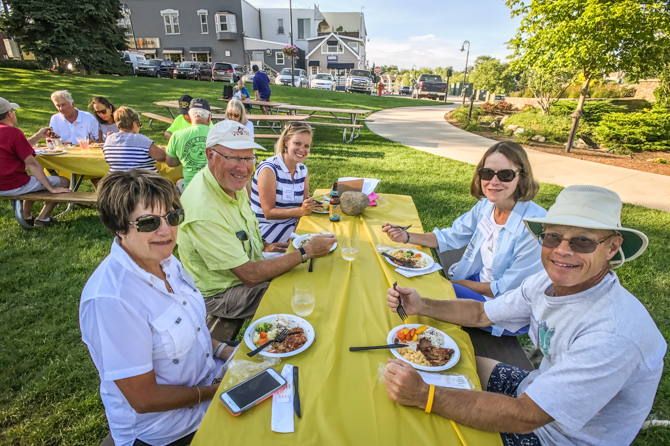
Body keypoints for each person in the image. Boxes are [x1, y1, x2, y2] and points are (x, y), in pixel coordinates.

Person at [384, 185, 666, 446]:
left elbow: (526, 416)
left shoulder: (613, 334)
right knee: (447, 361)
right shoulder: (546, 282)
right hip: (533, 389)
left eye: (582, 241)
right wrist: (421, 305)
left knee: (425, 430)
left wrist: (426, 395)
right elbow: (483, 313)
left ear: (612, 248)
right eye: (553, 236)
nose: (562, 250)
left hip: (558, 437)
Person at [80, 170, 236, 446]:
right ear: (119, 227)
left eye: (173, 217)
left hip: (211, 382)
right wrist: (213, 391)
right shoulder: (112, 300)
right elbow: (144, 399)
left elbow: (192, 326)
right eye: (149, 222)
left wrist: (226, 351)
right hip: (167, 429)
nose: (166, 231)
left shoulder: (166, 261)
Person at [177, 121, 336, 338]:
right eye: (232, 157)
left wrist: (264, 245)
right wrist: (305, 252)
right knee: (305, 296)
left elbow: (246, 224)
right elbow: (250, 276)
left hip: (247, 266)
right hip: (220, 295)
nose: (243, 167)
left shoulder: (230, 182)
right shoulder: (204, 211)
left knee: (315, 276)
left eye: (248, 158)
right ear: (210, 155)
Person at [383, 141, 546, 335]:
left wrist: (455, 285)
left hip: (503, 307)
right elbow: (452, 235)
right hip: (479, 282)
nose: (493, 182)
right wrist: (407, 236)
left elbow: (507, 289)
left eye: (505, 175)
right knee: (413, 286)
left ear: (521, 177)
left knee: (421, 296)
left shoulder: (533, 226)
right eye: (487, 173)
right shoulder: (486, 205)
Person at [0, 97, 70, 227]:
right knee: (64, 181)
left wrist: (38, 136)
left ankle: (26, 216)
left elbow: (18, 148)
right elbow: (32, 164)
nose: (14, 113)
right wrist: (51, 188)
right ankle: (43, 218)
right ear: (9, 113)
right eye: (13, 111)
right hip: (11, 184)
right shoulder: (13, 132)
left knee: (35, 181)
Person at [251, 122, 317, 243]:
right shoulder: (269, 169)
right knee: (314, 243)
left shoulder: (303, 170)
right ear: (286, 142)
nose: (302, 149)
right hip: (266, 229)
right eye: (297, 143)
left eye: (306, 146)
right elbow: (268, 213)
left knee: (327, 235)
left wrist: (307, 207)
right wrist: (301, 211)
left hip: (292, 223)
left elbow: (303, 205)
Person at [165, 98, 212, 190]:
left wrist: (184, 158)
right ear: (209, 117)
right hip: (214, 188)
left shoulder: (177, 136)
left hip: (189, 189)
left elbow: (171, 163)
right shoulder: (219, 135)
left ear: (190, 115)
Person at [103, 106, 166, 172]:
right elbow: (162, 157)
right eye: (139, 125)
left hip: (117, 180)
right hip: (143, 180)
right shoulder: (140, 139)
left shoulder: (109, 139)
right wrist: (162, 149)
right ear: (134, 124)